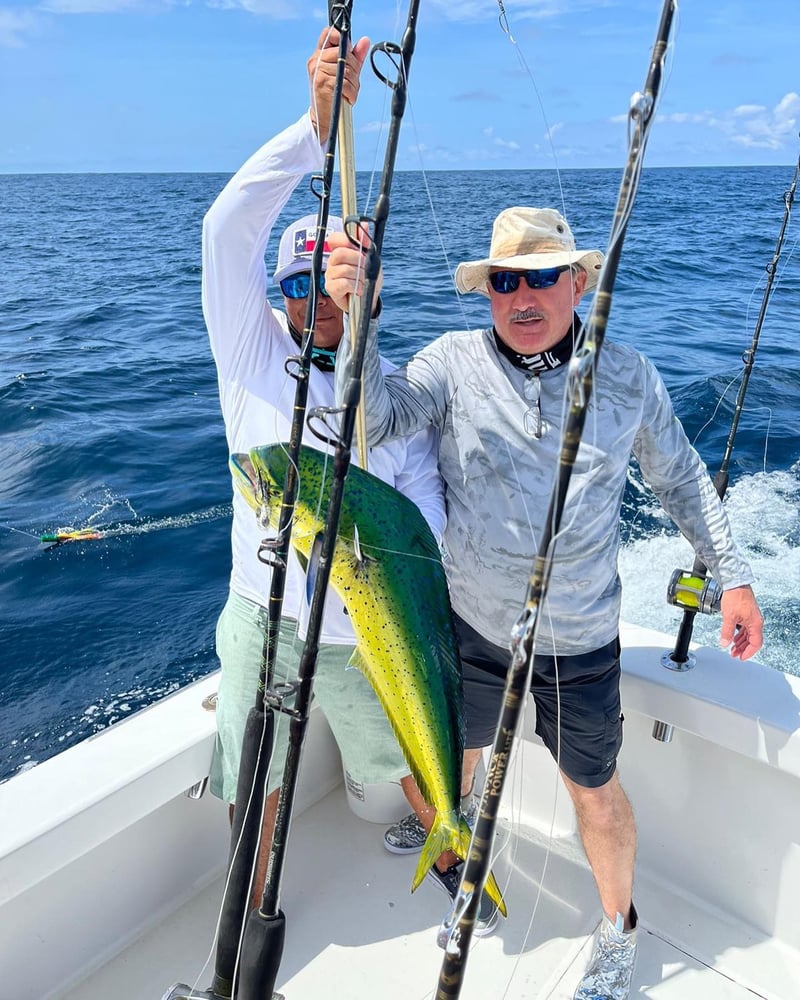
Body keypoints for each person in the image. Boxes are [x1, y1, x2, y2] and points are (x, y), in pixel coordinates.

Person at [325, 205, 764, 997]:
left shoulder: (626, 375)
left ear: (579, 282)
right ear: (487, 291)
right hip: (472, 626)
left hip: (581, 639)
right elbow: (376, 416)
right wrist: (360, 313)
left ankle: (618, 931)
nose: (524, 297)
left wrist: (731, 575)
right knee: (449, 766)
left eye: (542, 277)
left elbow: (683, 479)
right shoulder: (452, 362)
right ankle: (457, 860)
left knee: (593, 793)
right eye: (504, 281)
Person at [202, 27, 447, 911]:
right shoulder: (248, 351)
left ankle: (454, 856)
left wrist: (370, 560)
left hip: (358, 634)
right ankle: (249, 904)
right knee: (251, 774)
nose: (317, 303)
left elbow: (421, 520)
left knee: (402, 760)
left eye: (338, 286)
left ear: (368, 289)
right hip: (257, 615)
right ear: (280, 293)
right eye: (300, 286)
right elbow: (225, 229)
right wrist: (316, 125)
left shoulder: (392, 390)